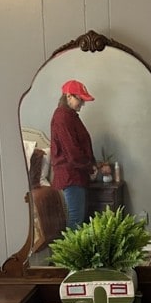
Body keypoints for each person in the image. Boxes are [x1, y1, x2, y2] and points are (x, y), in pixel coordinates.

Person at [50, 79, 98, 230]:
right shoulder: (62, 117)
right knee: (76, 220)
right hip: (71, 175)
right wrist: (91, 167)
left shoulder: (69, 116)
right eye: (80, 99)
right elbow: (72, 152)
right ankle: (69, 254)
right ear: (69, 96)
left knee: (78, 218)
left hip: (76, 174)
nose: (82, 104)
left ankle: (74, 253)